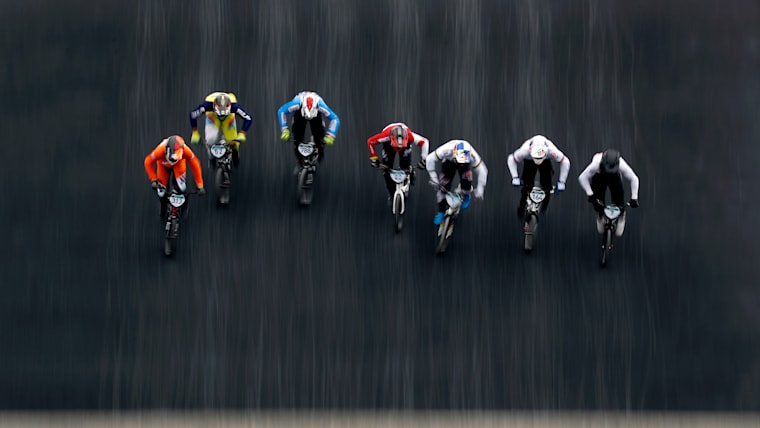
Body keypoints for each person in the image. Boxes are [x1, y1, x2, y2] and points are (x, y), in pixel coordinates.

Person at [577, 148, 639, 236]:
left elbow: (634, 179)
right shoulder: (595, 164)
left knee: (618, 197)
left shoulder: (621, 164)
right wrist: (590, 194)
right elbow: (582, 177)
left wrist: (634, 198)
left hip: (614, 176)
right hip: (599, 176)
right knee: (597, 200)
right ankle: (600, 214)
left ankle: (621, 214)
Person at [426, 140, 488, 225]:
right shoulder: (446, 149)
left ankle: (466, 194)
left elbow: (483, 171)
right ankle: (441, 211)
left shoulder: (473, 155)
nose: (460, 163)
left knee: (466, 181)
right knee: (442, 187)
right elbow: (429, 158)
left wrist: (480, 188)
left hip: (465, 163)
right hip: (449, 161)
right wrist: (433, 178)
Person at [506, 134, 570, 216]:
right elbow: (511, 159)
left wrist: (562, 181)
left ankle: (543, 206)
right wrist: (515, 177)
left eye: (539, 158)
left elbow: (565, 162)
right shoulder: (525, 151)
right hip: (530, 160)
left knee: (547, 184)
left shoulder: (551, 151)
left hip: (545, 160)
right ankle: (522, 204)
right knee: (527, 182)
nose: (538, 161)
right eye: (536, 158)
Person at [144, 135, 205, 216]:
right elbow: (147, 162)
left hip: (179, 165)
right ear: (166, 151)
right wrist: (153, 179)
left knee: (182, 188)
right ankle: (163, 204)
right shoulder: (159, 150)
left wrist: (200, 185)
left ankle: (184, 204)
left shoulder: (185, 150)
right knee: (161, 193)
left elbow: (195, 165)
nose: (172, 161)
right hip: (163, 166)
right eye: (172, 159)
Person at [277, 91, 340, 168]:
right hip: (300, 113)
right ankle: (300, 160)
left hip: (316, 115)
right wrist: (284, 130)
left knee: (320, 140)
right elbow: (281, 111)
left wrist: (330, 135)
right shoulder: (297, 103)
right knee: (297, 138)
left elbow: (335, 119)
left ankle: (319, 153)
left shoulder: (320, 105)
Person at [189, 91, 252, 167]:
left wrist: (242, 133)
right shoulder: (207, 105)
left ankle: (235, 150)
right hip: (212, 115)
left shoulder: (234, 106)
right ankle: (211, 156)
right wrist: (195, 132)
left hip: (229, 116)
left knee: (233, 141)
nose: (222, 117)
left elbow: (248, 118)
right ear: (214, 106)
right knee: (210, 140)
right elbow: (193, 115)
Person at [367, 122, 429, 199]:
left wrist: (424, 159)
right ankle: (391, 192)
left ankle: (409, 173)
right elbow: (370, 141)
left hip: (404, 142)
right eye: (397, 147)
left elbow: (425, 142)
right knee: (386, 168)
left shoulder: (410, 136)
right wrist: (374, 159)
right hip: (388, 143)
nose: (399, 149)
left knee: (405, 165)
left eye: (400, 147)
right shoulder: (385, 136)